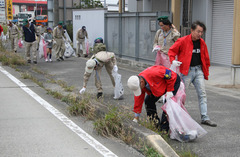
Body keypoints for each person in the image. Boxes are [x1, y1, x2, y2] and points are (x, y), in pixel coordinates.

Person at [168, 21, 217, 127]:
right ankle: (178, 115)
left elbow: (206, 57)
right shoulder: (182, 41)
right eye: (198, 31)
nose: (200, 34)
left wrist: (206, 70)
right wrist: (173, 61)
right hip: (187, 71)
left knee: (202, 94)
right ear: (192, 30)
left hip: (198, 70)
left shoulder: (202, 43)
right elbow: (171, 51)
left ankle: (205, 117)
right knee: (181, 94)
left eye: (201, 32)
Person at [127, 65, 181, 133]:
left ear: (141, 82)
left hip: (172, 81)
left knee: (167, 105)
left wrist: (170, 90)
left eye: (139, 88)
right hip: (157, 87)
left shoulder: (154, 72)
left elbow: (168, 73)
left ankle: (164, 130)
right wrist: (136, 117)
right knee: (148, 101)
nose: (140, 90)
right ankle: (155, 125)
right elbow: (138, 99)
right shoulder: (138, 82)